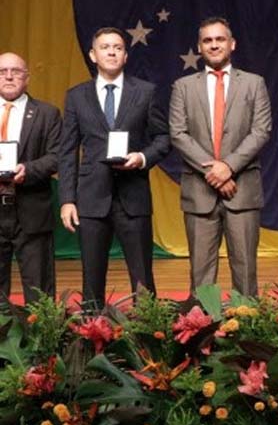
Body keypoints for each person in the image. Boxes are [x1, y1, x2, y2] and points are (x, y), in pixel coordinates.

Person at [59, 28, 170, 307]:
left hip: (133, 197)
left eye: (118, 47)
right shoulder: (76, 96)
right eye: (105, 47)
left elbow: (163, 137)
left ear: (125, 55)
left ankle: (148, 339)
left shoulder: (145, 92)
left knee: (143, 280)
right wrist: (68, 200)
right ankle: (90, 340)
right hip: (91, 198)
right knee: (92, 279)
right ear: (93, 55)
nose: (111, 51)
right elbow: (67, 151)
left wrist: (142, 158)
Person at [169, 17, 271, 296]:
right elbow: (178, 133)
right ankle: (202, 334)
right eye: (207, 40)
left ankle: (248, 334)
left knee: (246, 274)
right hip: (200, 193)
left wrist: (228, 166)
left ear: (232, 44)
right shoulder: (183, 86)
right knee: (200, 277)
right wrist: (214, 172)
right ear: (199, 47)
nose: (214, 45)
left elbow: (261, 131)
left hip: (242, 191)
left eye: (220, 39)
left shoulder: (254, 83)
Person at [0, 53, 61, 303]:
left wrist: (29, 169)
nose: (9, 76)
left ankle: (41, 341)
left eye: (16, 71)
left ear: (27, 77)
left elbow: (57, 156)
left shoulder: (47, 113)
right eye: (2, 71)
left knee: (40, 294)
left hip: (31, 209)